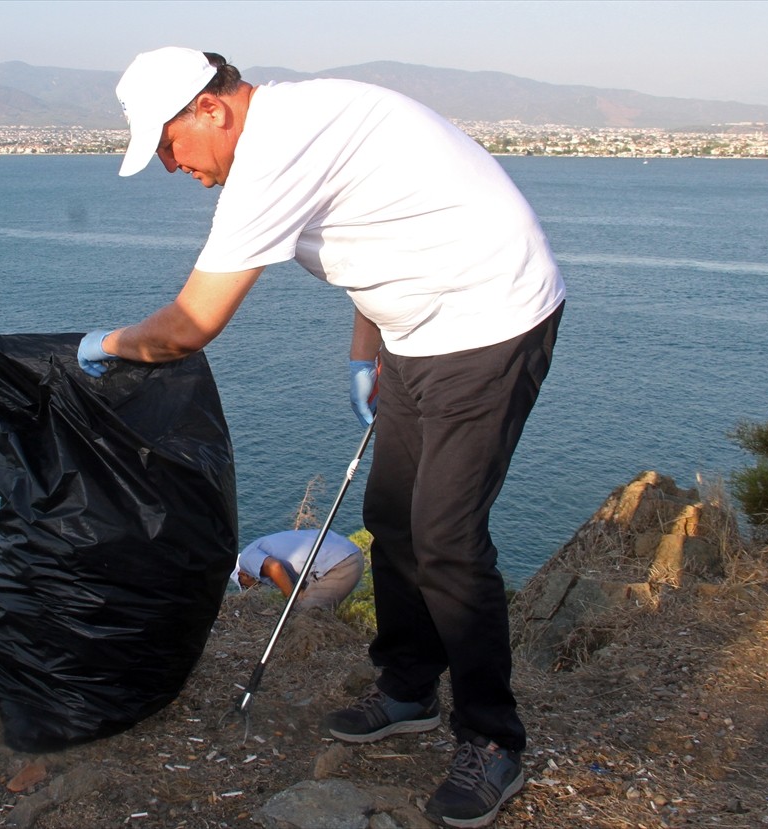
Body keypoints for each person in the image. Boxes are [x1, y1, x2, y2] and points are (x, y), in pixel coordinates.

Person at [77, 47, 565, 828]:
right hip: (420, 329)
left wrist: (104, 345)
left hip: (493, 320)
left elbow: (192, 323)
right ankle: (408, 688)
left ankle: (493, 738)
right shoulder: (293, 127)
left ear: (212, 108)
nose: (170, 166)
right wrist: (364, 356)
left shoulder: (278, 149)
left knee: (445, 537)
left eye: (168, 145)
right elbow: (383, 237)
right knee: (394, 516)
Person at [233, 528, 364, 611]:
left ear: (242, 575)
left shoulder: (246, 559)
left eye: (245, 586)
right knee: (314, 612)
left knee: (304, 614)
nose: (252, 589)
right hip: (345, 551)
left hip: (338, 564)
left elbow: (274, 567)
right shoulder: (258, 545)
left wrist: (293, 597)